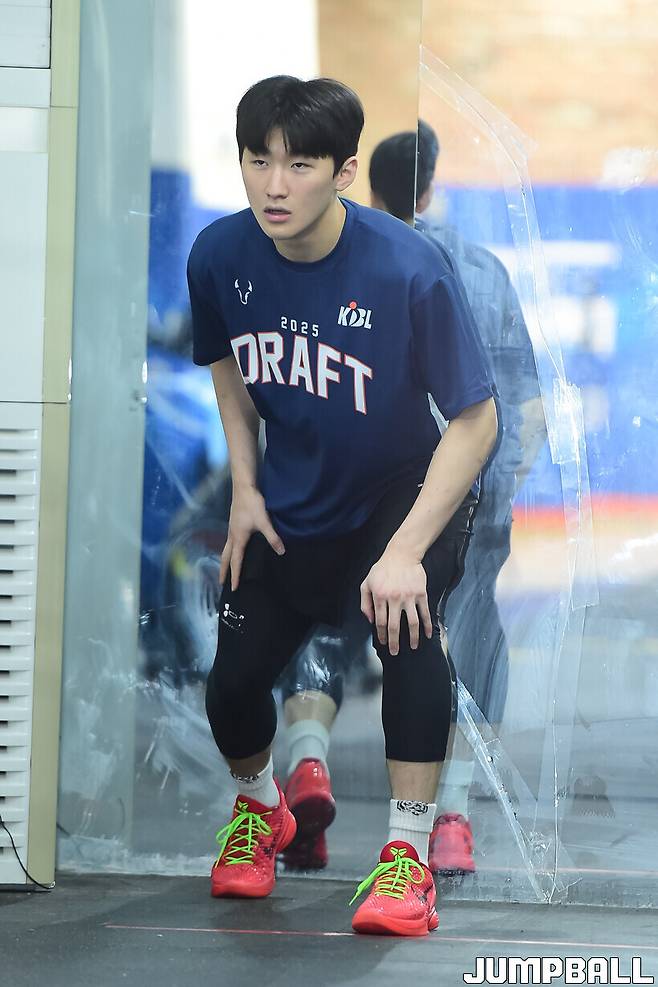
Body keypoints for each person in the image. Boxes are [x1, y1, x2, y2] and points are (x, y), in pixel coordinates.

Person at [187, 76, 497, 937]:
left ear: (345, 171)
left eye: (299, 165)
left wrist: (405, 551)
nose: (274, 185)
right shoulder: (218, 256)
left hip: (401, 494)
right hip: (292, 496)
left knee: (408, 633)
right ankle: (262, 808)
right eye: (258, 162)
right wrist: (246, 489)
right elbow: (228, 372)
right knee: (234, 681)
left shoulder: (407, 267)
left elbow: (476, 420)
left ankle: (406, 857)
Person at [279, 120, 546, 875]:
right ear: (430, 189)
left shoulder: (339, 261)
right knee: (458, 638)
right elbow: (523, 404)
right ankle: (449, 815)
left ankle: (307, 762)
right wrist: (494, 491)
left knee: (321, 623)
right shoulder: (481, 269)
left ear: (368, 186)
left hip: (356, 487)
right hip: (465, 493)